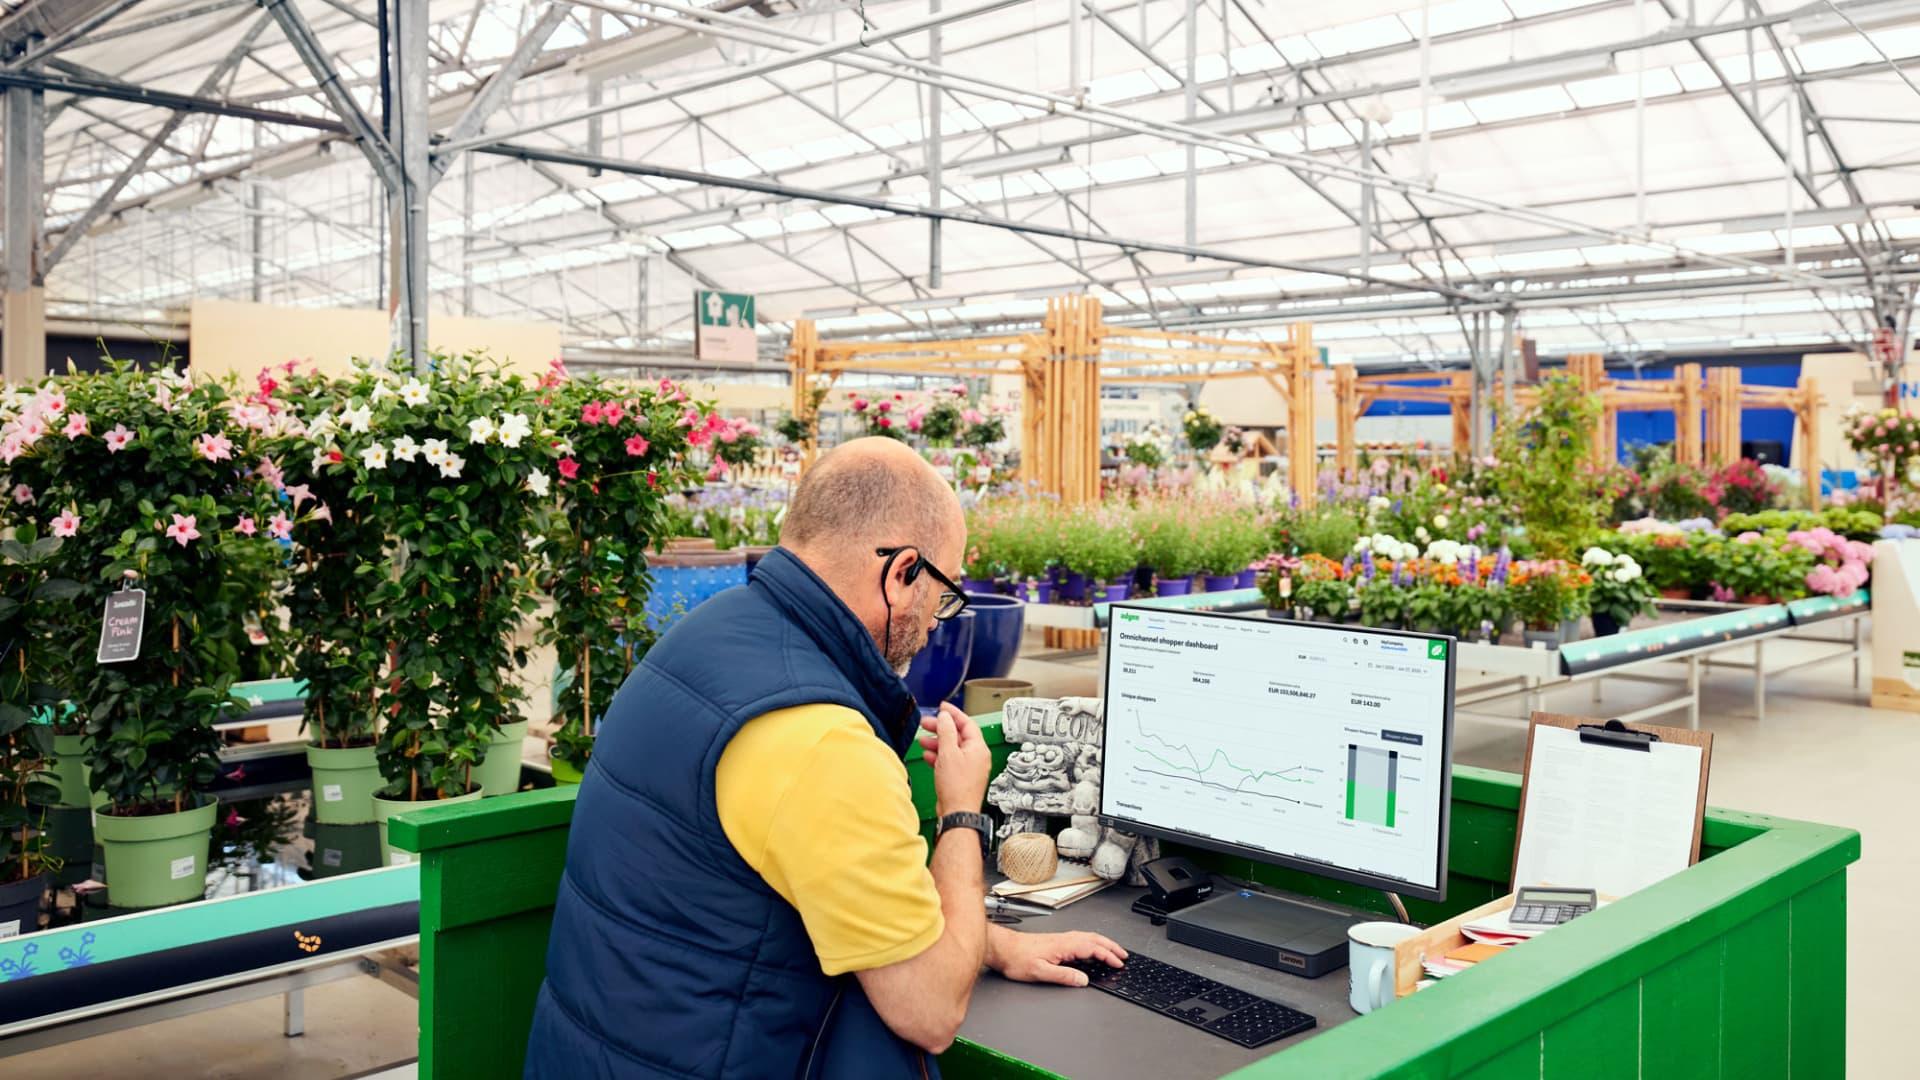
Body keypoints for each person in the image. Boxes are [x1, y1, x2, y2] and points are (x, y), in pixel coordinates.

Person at [525, 438, 1127, 1079]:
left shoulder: (708, 635)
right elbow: (929, 1010)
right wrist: (959, 813)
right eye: (942, 594)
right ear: (901, 574)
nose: (933, 625)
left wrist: (991, 944)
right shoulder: (824, 743)